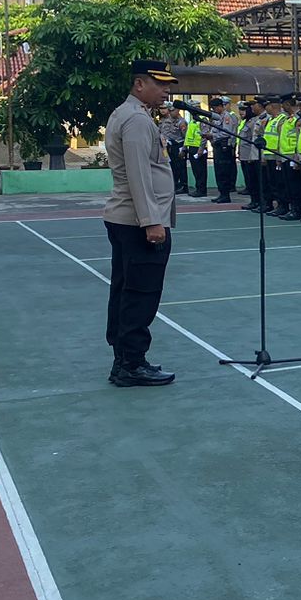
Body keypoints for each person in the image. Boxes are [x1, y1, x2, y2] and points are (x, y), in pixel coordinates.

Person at [101, 60, 179, 387]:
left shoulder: (132, 114)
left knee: (127, 289)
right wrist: (151, 222)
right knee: (140, 293)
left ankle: (124, 360)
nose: (166, 91)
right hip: (138, 222)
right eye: (159, 84)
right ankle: (132, 363)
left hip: (128, 219)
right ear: (139, 84)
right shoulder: (135, 120)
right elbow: (138, 174)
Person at [208, 97, 238, 202]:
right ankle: (221, 193)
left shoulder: (226, 117)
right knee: (218, 172)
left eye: (215, 108)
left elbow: (226, 132)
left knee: (224, 171)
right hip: (217, 146)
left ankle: (226, 195)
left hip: (224, 147)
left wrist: (213, 136)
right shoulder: (217, 117)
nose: (214, 110)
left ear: (220, 106)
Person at [237, 101, 263, 210]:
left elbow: (254, 138)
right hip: (244, 155)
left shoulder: (254, 122)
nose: (241, 112)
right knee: (249, 180)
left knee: (254, 180)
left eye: (244, 110)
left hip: (250, 156)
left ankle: (257, 201)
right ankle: (254, 200)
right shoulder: (246, 122)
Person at [160, 103, 188, 194]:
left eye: (173, 110)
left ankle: (183, 186)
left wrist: (183, 149)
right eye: (170, 110)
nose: (171, 112)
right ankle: (174, 185)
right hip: (169, 147)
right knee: (172, 167)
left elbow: (185, 137)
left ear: (178, 110)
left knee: (181, 167)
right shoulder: (166, 120)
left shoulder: (181, 122)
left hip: (178, 146)